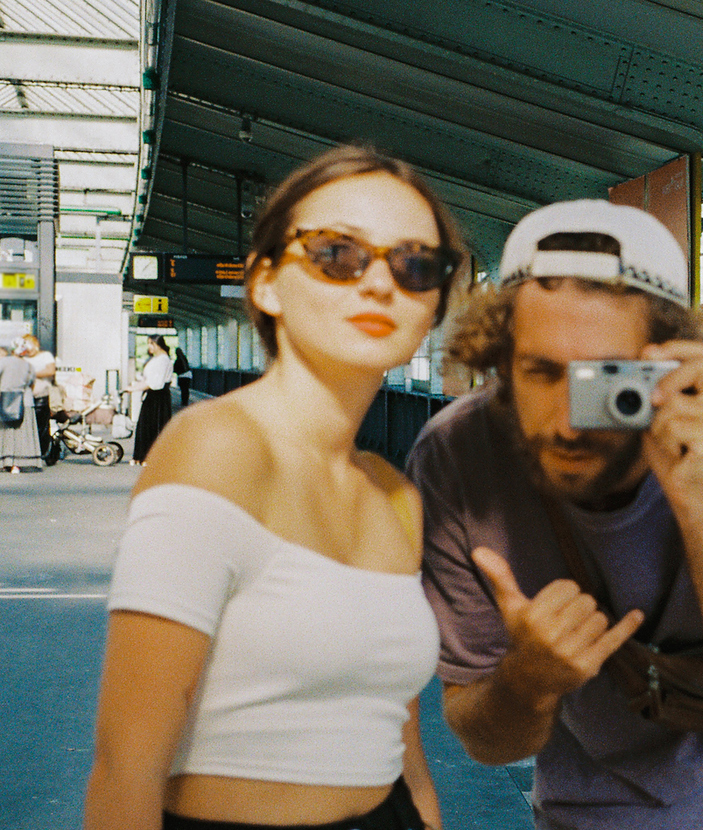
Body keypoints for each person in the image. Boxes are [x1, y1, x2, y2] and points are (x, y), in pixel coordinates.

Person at [407, 200, 703, 829]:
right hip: (591, 797)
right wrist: (528, 682)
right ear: (499, 363)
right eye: (541, 373)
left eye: (603, 379)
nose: (568, 423)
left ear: (666, 362)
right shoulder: (458, 458)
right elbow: (489, 744)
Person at [84, 144, 466, 830]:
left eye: (415, 265)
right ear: (264, 284)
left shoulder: (393, 495)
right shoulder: (215, 448)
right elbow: (125, 768)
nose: (381, 284)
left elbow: (403, 748)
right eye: (338, 254)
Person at [127, 335, 174, 464]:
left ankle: (150, 457)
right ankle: (141, 456)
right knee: (145, 425)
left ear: (157, 344)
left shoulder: (163, 360)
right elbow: (148, 380)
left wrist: (134, 388)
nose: (149, 347)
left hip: (158, 396)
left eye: (151, 343)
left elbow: (155, 383)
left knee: (153, 426)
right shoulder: (156, 359)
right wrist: (135, 387)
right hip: (153, 395)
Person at [0, 343, 43, 473]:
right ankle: (21, 462)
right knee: (23, 433)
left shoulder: (4, 362)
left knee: (6, 433)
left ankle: (6, 461)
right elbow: (31, 383)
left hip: (5, 400)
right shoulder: (28, 365)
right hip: (25, 401)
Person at [19, 333, 56, 463]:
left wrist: (32, 374)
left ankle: (43, 453)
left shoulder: (45, 356)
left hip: (41, 395)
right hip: (25, 396)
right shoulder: (23, 359)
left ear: (36, 345)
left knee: (42, 426)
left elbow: (50, 371)